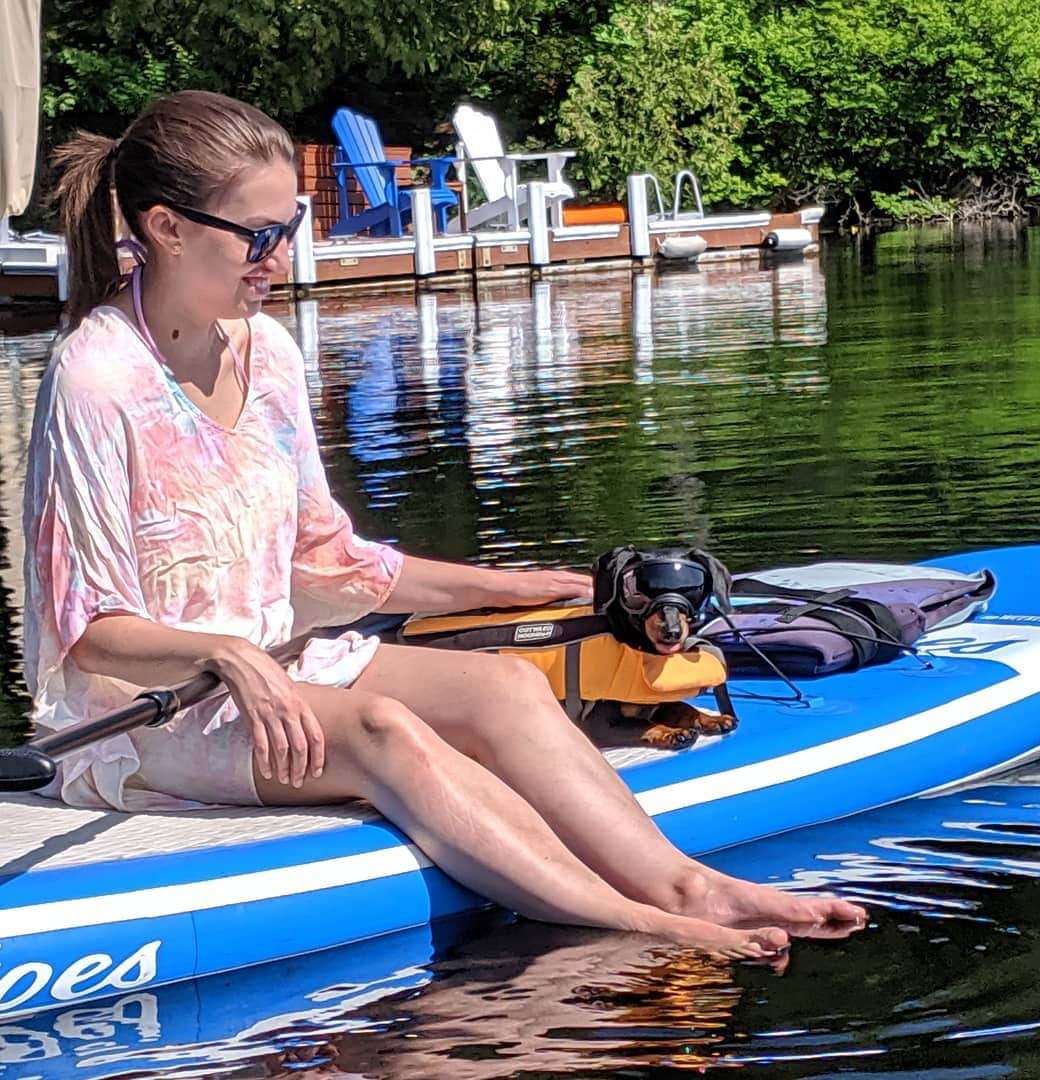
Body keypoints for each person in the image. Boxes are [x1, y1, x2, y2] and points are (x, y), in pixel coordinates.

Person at [24, 90, 865, 961]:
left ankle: (689, 884)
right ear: (165, 227)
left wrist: (524, 585)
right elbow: (89, 636)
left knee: (505, 686)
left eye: (293, 225)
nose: (282, 256)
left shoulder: (266, 351)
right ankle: (645, 927)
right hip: (150, 721)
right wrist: (223, 654)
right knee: (386, 730)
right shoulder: (96, 379)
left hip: (283, 666)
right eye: (260, 236)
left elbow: (328, 561)